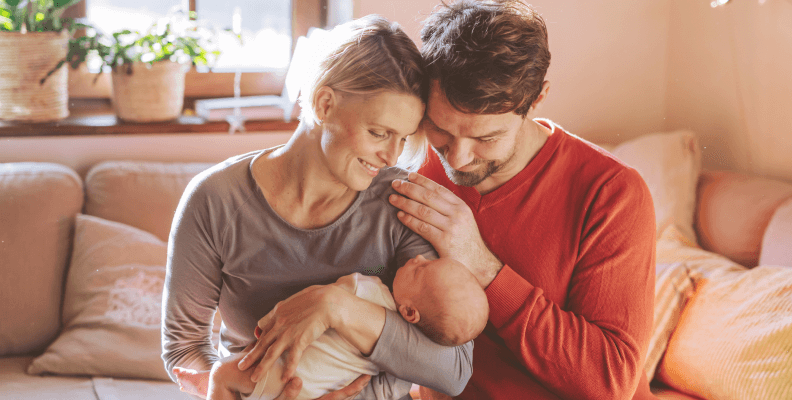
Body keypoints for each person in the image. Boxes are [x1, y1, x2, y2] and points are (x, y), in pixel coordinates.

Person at [161, 15, 474, 400]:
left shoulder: (401, 203)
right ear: (324, 104)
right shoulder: (215, 199)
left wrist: (335, 306)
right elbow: (183, 347)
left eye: (404, 137)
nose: (392, 154)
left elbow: (453, 369)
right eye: (379, 132)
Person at [386, 1, 659, 399]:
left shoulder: (611, 194)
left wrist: (482, 266)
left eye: (486, 138)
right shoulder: (415, 165)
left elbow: (609, 381)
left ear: (536, 100)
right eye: (441, 128)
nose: (457, 159)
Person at [223, 256, 488, 400]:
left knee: (222, 376)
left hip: (277, 371)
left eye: (422, 269)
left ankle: (207, 381)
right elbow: (389, 390)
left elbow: (302, 305)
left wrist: (265, 326)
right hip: (317, 390)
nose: (418, 257)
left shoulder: (366, 287)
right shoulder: (406, 361)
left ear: (410, 312)